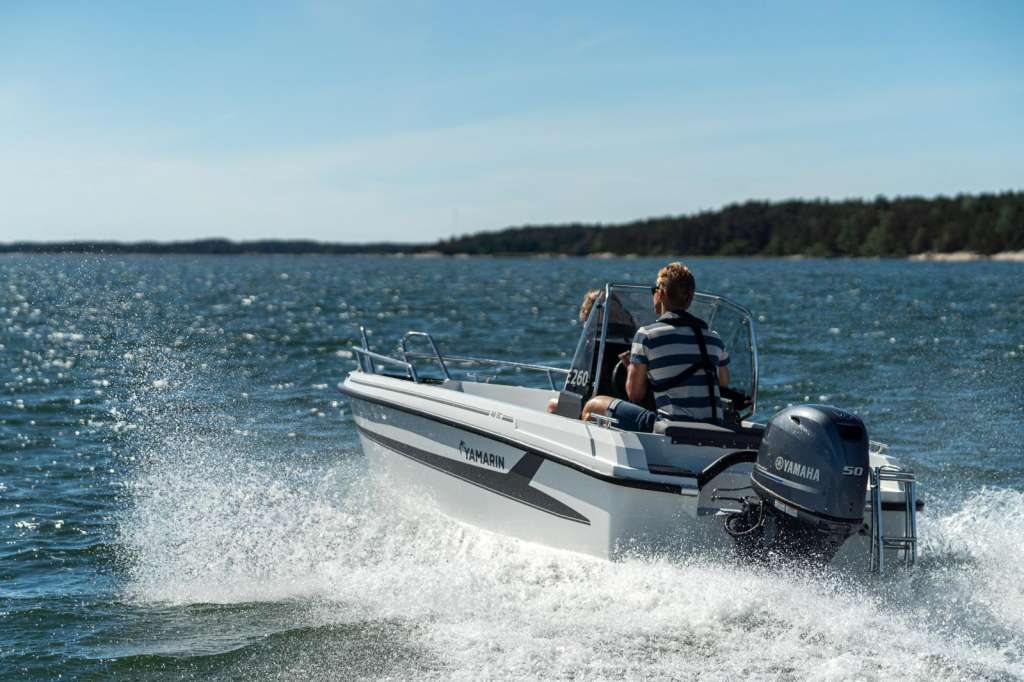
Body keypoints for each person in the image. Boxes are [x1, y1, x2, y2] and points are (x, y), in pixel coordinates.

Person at [580, 262, 730, 432]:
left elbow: (635, 395)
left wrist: (631, 368)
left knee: (593, 406)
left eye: (654, 291)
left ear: (661, 293)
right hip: (714, 429)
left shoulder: (646, 335)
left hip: (671, 429)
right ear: (689, 297)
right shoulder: (714, 338)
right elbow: (723, 385)